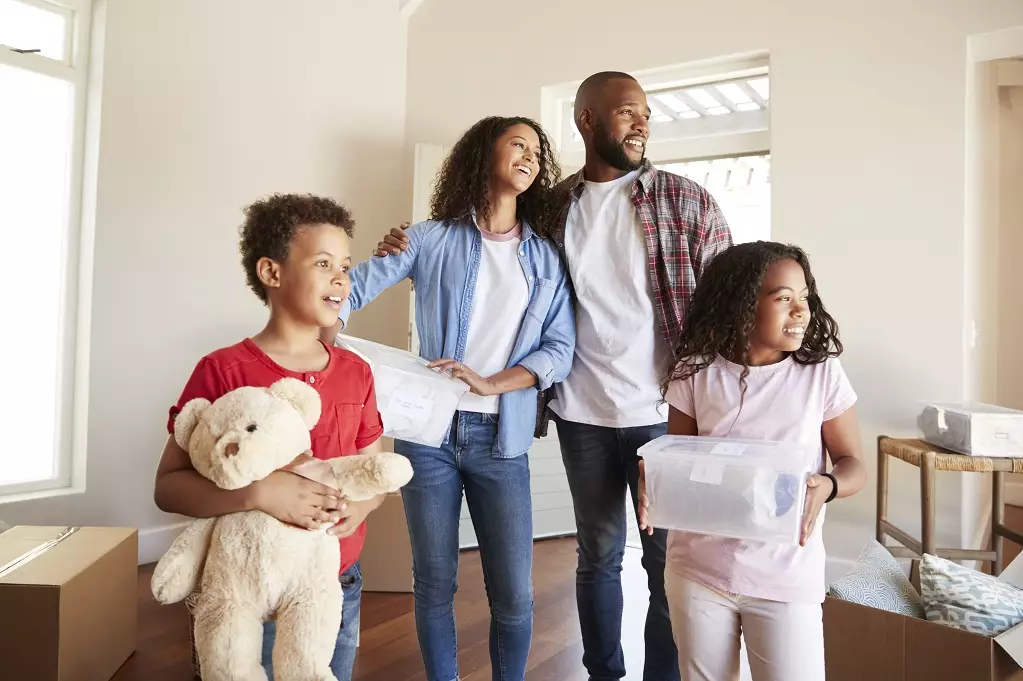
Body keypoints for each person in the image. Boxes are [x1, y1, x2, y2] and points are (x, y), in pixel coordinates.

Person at [374, 72, 732, 681]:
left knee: (665, 559)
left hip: (664, 416)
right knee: (596, 558)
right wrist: (406, 246)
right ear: (587, 119)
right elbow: (500, 273)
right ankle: (603, 673)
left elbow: (728, 304)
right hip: (582, 415)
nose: (642, 122)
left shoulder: (685, 200)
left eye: (647, 112)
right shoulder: (554, 211)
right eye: (626, 111)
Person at [323, 116, 575, 681]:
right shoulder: (430, 238)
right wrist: (328, 334)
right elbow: (349, 288)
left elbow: (559, 348)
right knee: (434, 582)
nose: (529, 156)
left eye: (537, 150)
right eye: (517, 144)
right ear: (483, 155)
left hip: (501, 439)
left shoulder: (545, 259)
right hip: (427, 437)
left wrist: (493, 382)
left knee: (513, 593)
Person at [154, 193, 386, 681]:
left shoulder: (357, 373)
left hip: (332, 582)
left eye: (345, 264)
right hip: (242, 585)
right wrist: (260, 493)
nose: (340, 277)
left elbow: (373, 473)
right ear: (272, 273)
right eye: (323, 263)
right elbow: (168, 486)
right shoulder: (221, 370)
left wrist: (358, 507)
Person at [637, 241, 867, 681]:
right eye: (784, 299)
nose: (801, 311)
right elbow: (678, 458)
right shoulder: (695, 371)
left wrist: (829, 485)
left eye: (805, 298)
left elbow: (852, 462)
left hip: (784, 577)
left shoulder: (820, 374)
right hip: (697, 572)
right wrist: (656, 476)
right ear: (741, 305)